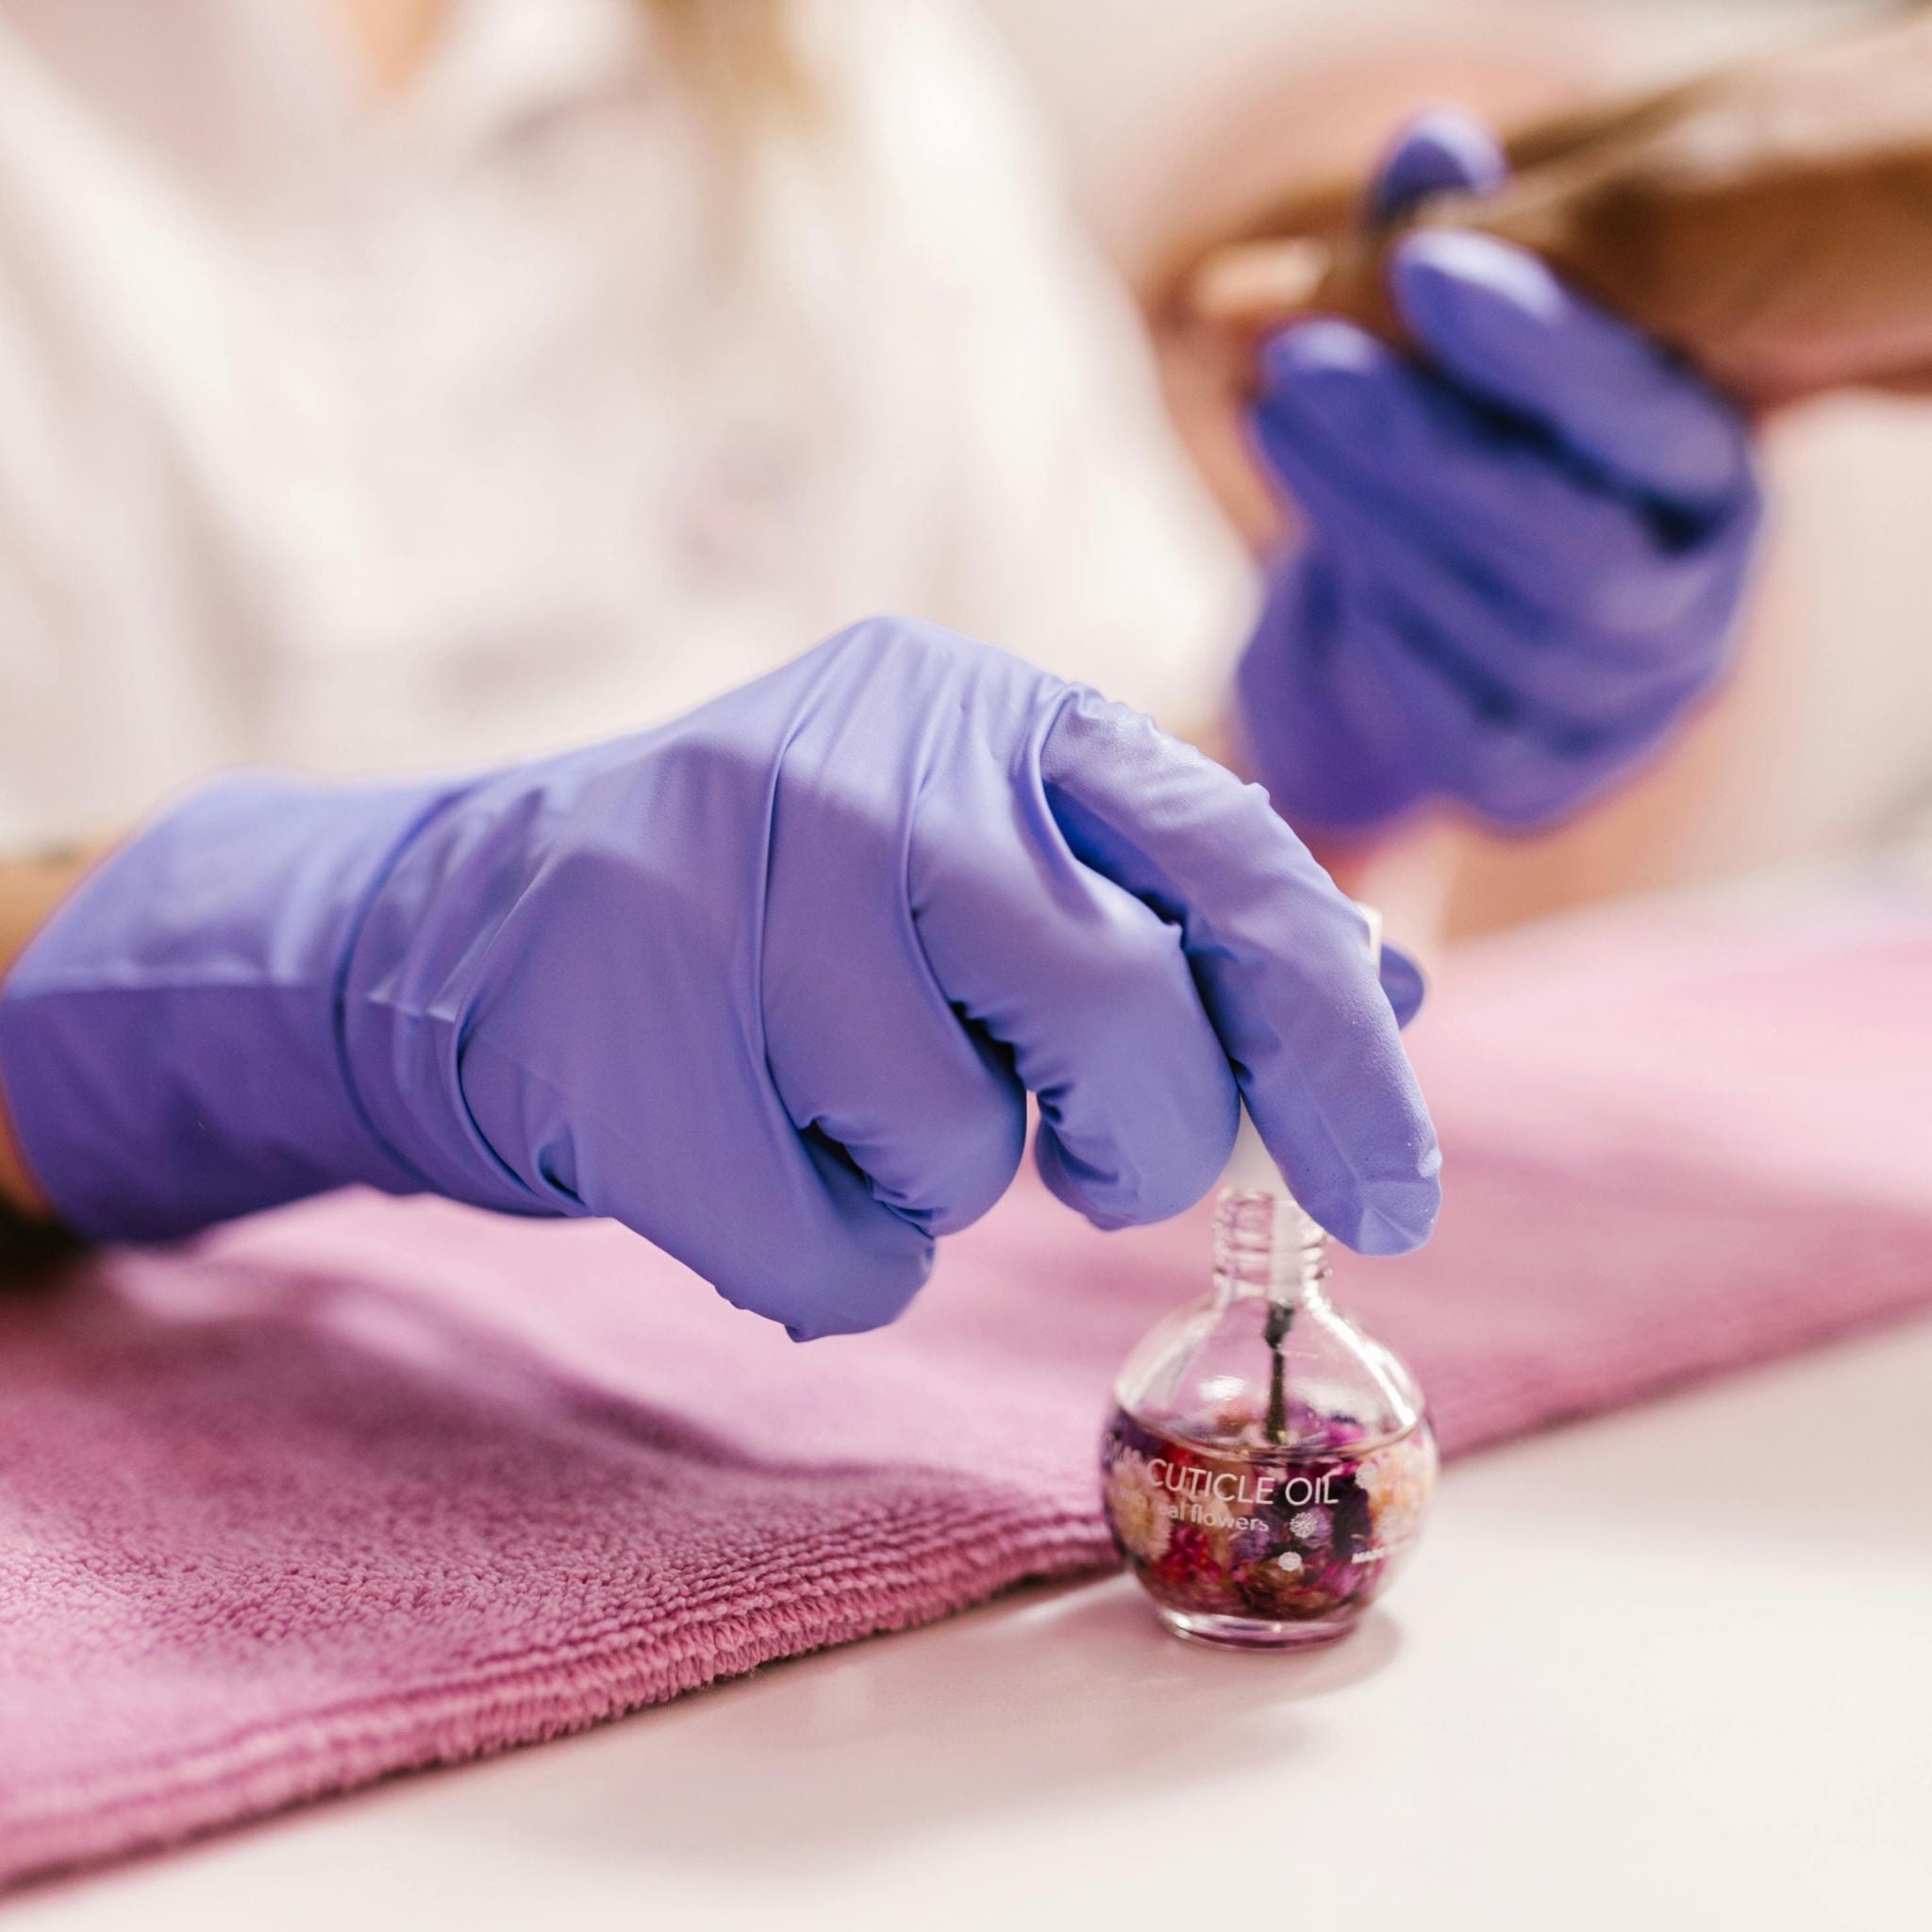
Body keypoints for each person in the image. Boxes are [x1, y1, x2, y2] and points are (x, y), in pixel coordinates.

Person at [0, 0, 1759, 1338]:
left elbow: (1084, 823)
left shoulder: (831, 69)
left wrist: (1336, 741)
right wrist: (259, 978)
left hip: (724, 1539)